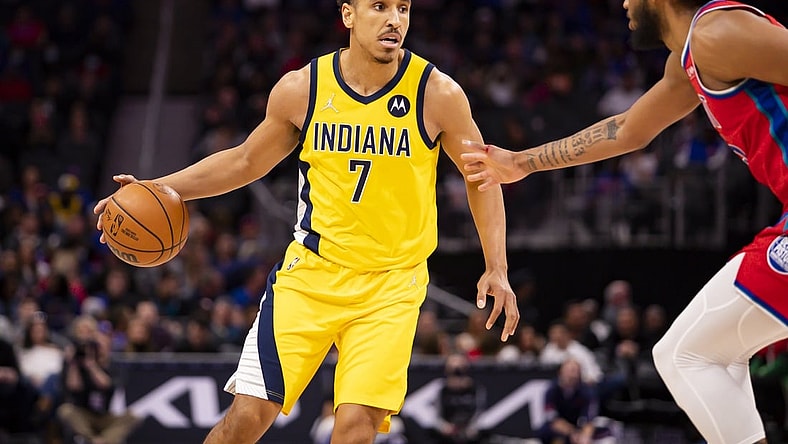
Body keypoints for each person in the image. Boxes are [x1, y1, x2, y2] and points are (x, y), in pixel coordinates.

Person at [93, 1, 520, 442]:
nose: (394, 19)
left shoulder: (438, 93)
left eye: (403, 8)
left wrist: (497, 266)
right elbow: (244, 161)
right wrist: (158, 189)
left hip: (391, 285)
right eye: (379, 6)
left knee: (354, 429)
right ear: (348, 14)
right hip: (311, 274)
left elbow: (482, 177)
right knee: (246, 418)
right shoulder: (304, 88)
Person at [461, 1, 788, 443]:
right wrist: (522, 162)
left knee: (687, 354)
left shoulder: (718, 33)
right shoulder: (691, 58)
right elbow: (629, 129)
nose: (625, 5)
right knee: (703, 354)